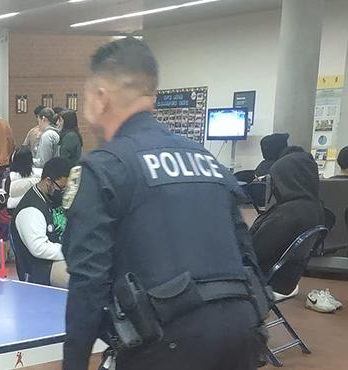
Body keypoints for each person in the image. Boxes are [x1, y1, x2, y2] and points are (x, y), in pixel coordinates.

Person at [62, 38, 266, 370]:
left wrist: (73, 364)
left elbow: (88, 281)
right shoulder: (207, 162)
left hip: (166, 344)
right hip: (241, 331)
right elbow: (246, 253)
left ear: (100, 98)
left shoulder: (104, 169)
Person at [249, 152, 334, 311]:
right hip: (287, 278)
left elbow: (253, 253)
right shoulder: (316, 208)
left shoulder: (287, 214)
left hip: (266, 281)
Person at [11, 157, 71, 287]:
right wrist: (71, 252)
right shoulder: (31, 209)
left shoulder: (54, 200)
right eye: (62, 188)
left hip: (61, 256)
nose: (64, 193)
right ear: (48, 181)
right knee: (81, 278)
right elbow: (39, 248)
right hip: (41, 268)